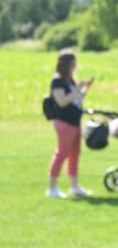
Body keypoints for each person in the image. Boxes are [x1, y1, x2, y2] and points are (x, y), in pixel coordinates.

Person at [46, 48, 94, 197]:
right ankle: (52, 188)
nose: (75, 66)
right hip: (64, 122)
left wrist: (85, 88)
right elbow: (62, 101)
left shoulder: (70, 80)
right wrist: (77, 89)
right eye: (73, 64)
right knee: (61, 154)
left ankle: (74, 186)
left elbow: (77, 98)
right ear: (66, 64)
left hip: (75, 121)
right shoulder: (57, 81)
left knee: (75, 154)